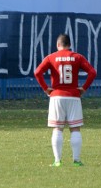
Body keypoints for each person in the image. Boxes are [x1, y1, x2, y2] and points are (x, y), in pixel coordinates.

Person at [34, 33, 97, 167]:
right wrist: (84, 88)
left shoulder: (51, 57)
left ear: (58, 45)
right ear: (69, 45)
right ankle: (77, 160)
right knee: (75, 129)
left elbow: (37, 72)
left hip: (56, 96)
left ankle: (57, 161)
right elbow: (92, 72)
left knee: (57, 129)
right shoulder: (77, 57)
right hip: (74, 96)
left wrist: (46, 88)